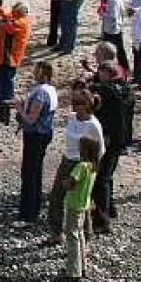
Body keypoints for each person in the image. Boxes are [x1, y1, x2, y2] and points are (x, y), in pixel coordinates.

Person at [47, 88, 104, 245]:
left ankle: (85, 235)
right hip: (67, 159)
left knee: (81, 200)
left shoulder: (94, 125)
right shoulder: (72, 118)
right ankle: (56, 232)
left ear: (88, 105)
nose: (76, 106)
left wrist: (90, 167)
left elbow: (101, 149)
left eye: (79, 103)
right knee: (56, 196)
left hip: (81, 163)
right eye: (74, 102)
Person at [89, 62, 135, 233]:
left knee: (100, 179)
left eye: (101, 73)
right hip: (121, 139)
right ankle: (111, 208)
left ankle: (102, 220)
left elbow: (95, 94)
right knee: (108, 175)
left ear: (107, 74)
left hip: (108, 139)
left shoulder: (107, 91)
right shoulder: (127, 90)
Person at [15, 62, 57, 224]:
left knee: (29, 172)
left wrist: (19, 108)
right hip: (44, 133)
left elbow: (31, 119)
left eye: (37, 71)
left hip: (36, 136)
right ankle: (34, 207)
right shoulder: (51, 90)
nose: (33, 73)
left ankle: (28, 211)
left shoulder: (40, 93)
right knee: (35, 171)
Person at [61, 136, 101, 282]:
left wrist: (64, 183)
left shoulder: (81, 166)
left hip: (74, 204)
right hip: (84, 205)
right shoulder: (93, 167)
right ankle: (83, 266)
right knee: (80, 235)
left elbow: (71, 183)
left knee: (72, 236)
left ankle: (73, 271)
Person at [0, 2, 31, 114]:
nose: (12, 13)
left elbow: (6, 26)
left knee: (7, 78)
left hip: (11, 55)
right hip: (6, 54)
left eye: (15, 11)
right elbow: (6, 16)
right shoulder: (17, 18)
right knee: (1, 76)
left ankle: (7, 100)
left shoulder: (21, 22)